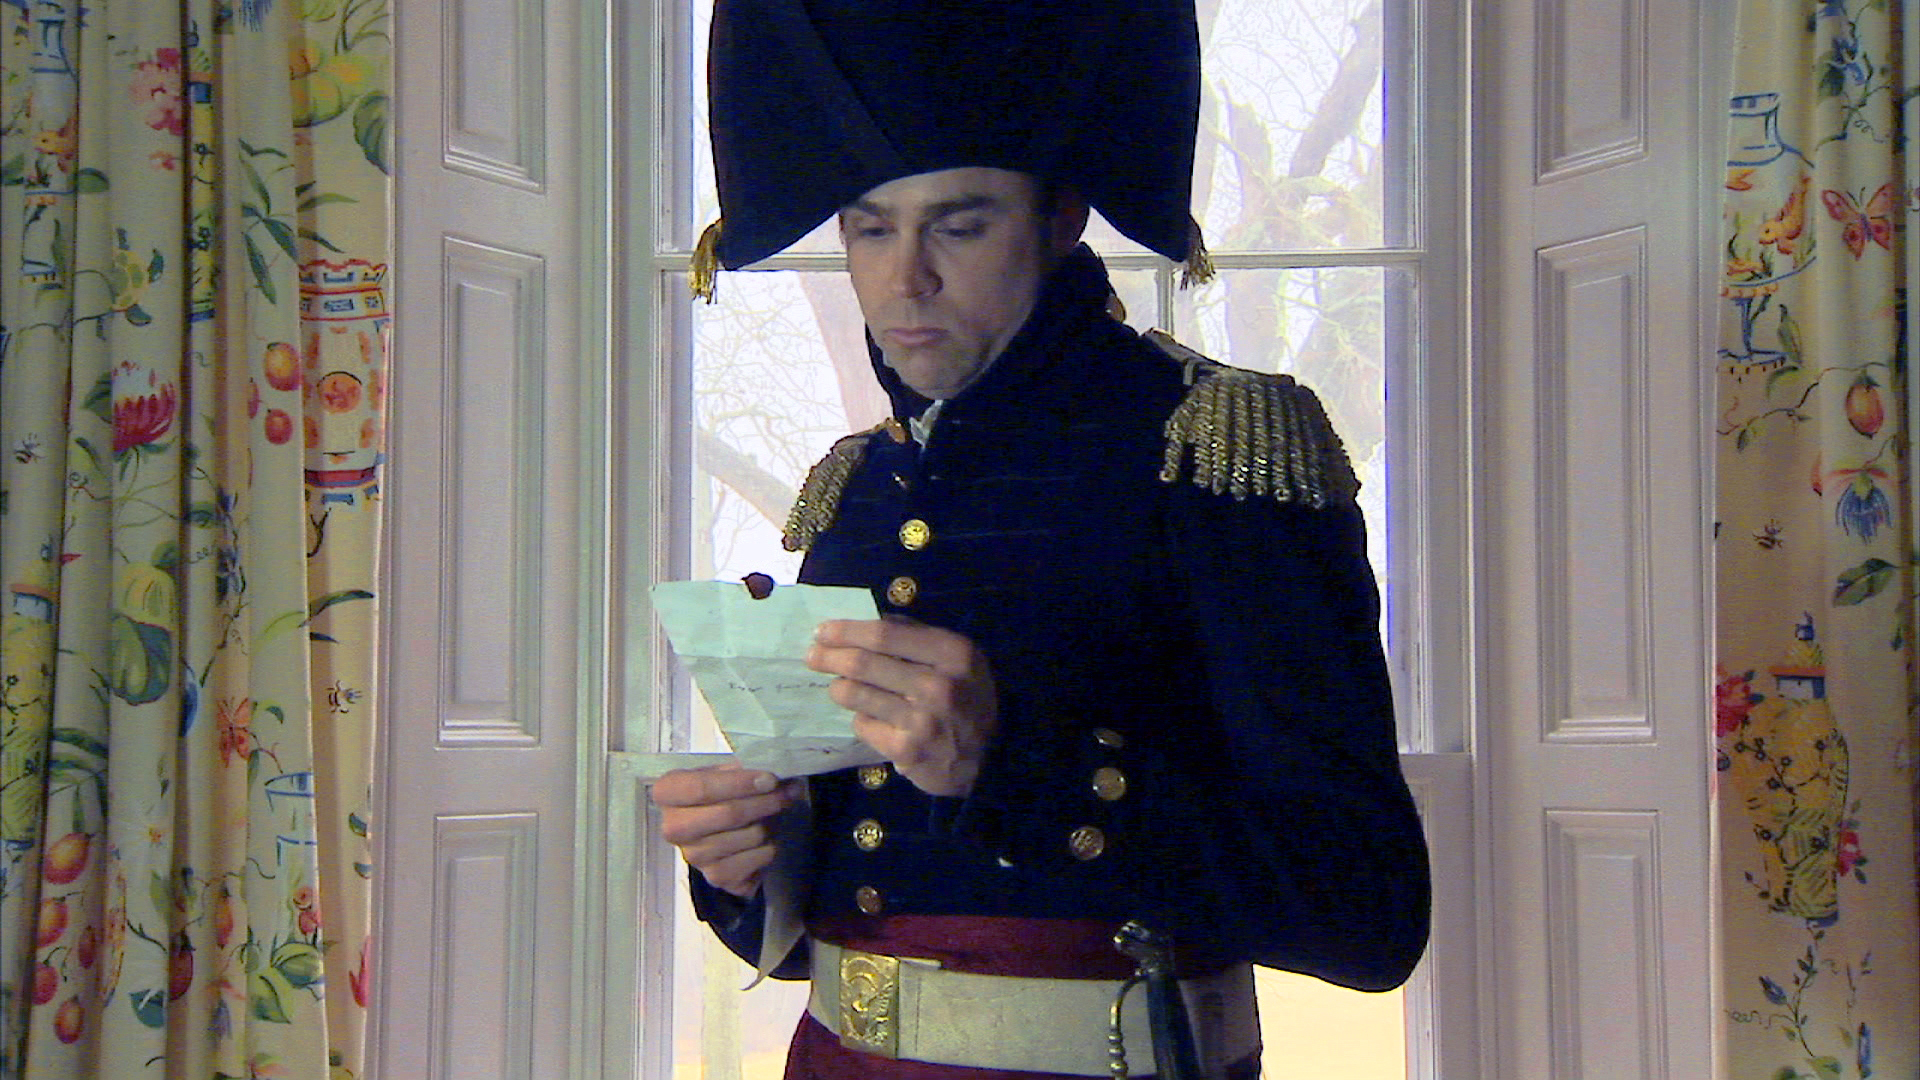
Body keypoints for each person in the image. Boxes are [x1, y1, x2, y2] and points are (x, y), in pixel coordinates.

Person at [651, 4, 1430, 1078]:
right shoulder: (857, 486)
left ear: (1062, 218)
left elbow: (1368, 913)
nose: (904, 280)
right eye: (870, 230)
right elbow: (856, 905)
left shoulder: (1217, 450)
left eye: (959, 227)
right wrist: (752, 866)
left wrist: (1018, 765)